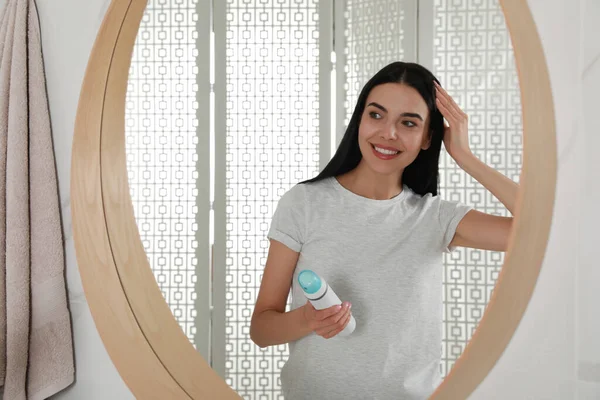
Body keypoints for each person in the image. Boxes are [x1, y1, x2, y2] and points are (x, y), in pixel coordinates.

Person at [249, 61, 518, 399]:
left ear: (427, 138)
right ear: (359, 120)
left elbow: (542, 231)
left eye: (408, 123)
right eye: (376, 115)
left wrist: (465, 157)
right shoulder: (304, 203)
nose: (388, 133)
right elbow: (261, 329)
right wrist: (307, 320)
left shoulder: (435, 218)